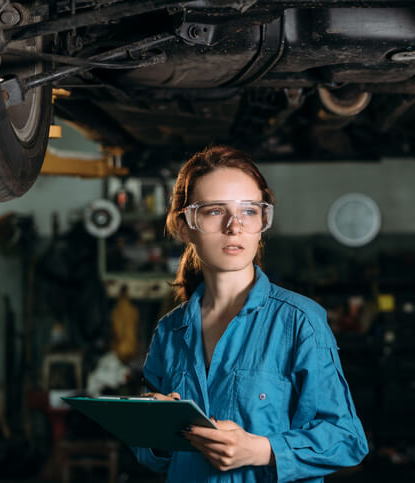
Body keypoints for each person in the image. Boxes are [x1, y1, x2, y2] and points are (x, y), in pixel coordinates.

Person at [132, 145, 368, 482]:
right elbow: (153, 457)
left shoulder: (299, 321)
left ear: (262, 221)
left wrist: (261, 450)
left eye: (249, 211)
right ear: (185, 226)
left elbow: (347, 439)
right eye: (215, 211)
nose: (234, 226)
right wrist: (158, 428)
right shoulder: (170, 331)